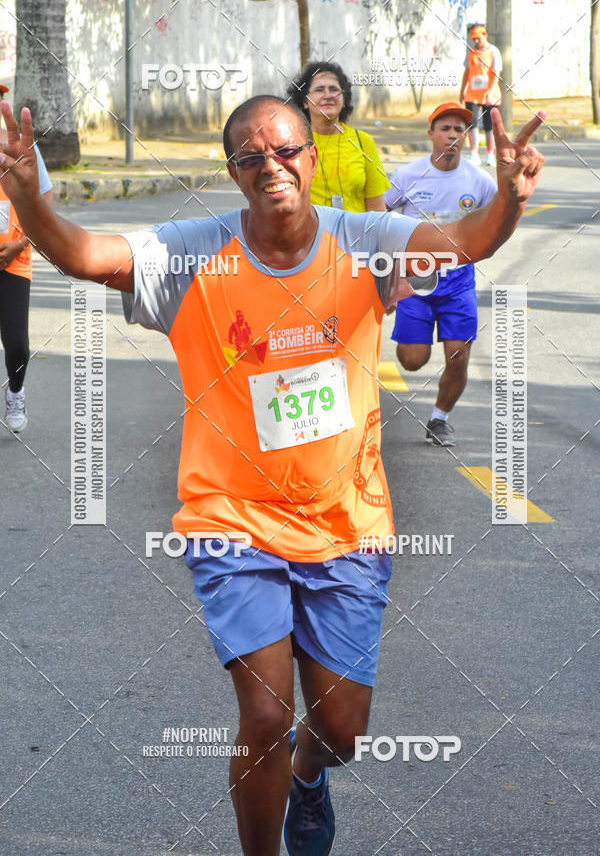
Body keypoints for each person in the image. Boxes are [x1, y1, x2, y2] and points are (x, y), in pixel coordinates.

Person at [0, 94, 545, 856]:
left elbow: (463, 242)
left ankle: (311, 776)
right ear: (233, 171)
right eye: (251, 157)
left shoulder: (366, 241)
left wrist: (511, 202)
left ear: (311, 158)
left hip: (346, 522)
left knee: (342, 731)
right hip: (232, 520)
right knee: (263, 714)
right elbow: (90, 254)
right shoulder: (196, 255)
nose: (271, 166)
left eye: (285, 151)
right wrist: (31, 197)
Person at [385, 102, 497, 446]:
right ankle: (419, 340)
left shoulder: (479, 182)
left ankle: (439, 419)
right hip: (415, 281)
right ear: (431, 133)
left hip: (459, 283)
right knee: (412, 359)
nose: (452, 135)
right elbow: (378, 219)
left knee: (459, 355)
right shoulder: (407, 176)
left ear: (466, 136)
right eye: (445, 128)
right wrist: (386, 274)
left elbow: (496, 222)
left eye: (459, 129)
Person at [0, 84, 53, 433]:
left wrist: (17, 246)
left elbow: (45, 206)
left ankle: (15, 392)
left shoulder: (21, 149)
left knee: (16, 342)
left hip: (14, 259)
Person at [287, 61, 389, 211]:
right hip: (311, 234)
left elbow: (377, 211)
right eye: (320, 89)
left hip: (356, 233)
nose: (328, 95)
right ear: (305, 102)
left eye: (334, 89)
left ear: (344, 100)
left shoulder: (363, 142)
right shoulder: (293, 143)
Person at [459, 22, 502, 166]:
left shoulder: (493, 51)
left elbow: (496, 73)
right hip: (472, 95)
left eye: (478, 38)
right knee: (471, 123)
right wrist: (462, 91)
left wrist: (490, 91)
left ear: (485, 35)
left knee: (489, 125)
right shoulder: (471, 52)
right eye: (474, 39)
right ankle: (474, 152)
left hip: (489, 95)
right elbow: (467, 72)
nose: (476, 41)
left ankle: (490, 153)